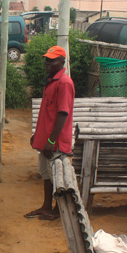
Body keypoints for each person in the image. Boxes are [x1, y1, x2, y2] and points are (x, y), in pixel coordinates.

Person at [24, 45, 74, 221]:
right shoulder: (51, 81)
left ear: (62, 62)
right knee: (46, 174)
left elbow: (62, 113)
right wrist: (38, 136)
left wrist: (51, 140)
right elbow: (48, 113)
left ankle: (57, 209)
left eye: (52, 60)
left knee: (57, 177)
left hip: (56, 141)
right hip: (45, 139)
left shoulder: (64, 83)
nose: (48, 63)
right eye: (47, 59)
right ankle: (46, 206)